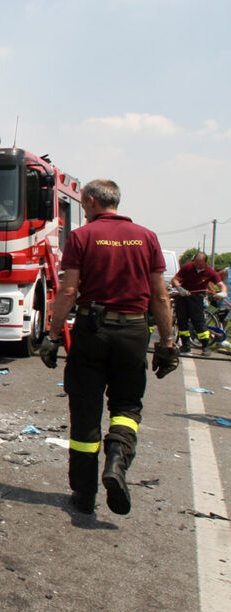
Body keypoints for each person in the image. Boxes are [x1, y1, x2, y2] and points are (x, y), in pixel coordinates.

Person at [39, 179, 178, 516]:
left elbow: (68, 291)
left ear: (90, 201)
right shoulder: (147, 237)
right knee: (127, 406)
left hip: (92, 330)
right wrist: (168, 342)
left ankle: (84, 494)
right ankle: (117, 460)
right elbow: (160, 296)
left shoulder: (82, 236)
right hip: (134, 331)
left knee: (85, 410)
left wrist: (53, 336)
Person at [171, 253, 227, 356]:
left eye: (200, 263)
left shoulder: (210, 272)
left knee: (199, 322)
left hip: (197, 299)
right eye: (195, 261)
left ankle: (205, 346)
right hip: (183, 297)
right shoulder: (187, 267)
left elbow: (220, 284)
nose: (197, 264)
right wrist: (179, 288)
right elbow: (175, 279)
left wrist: (223, 292)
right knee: (182, 321)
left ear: (205, 263)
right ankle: (185, 345)